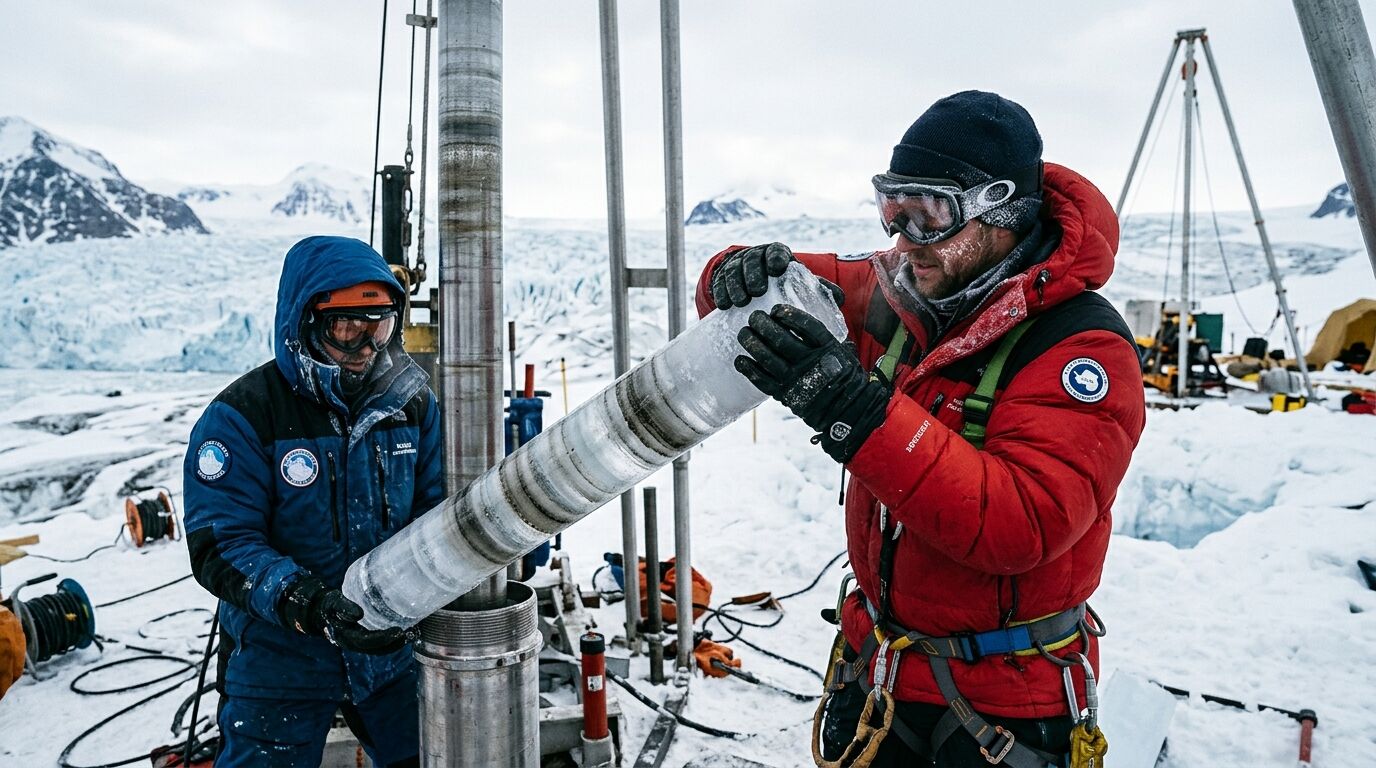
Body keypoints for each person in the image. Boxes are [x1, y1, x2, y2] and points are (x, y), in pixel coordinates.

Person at [695, 91, 1145, 767]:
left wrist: (859, 411)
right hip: (881, 669)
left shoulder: (1079, 348)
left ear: (1001, 211)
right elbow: (763, 294)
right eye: (893, 210)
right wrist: (732, 273)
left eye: (929, 213)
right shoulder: (902, 292)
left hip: (1003, 704)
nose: (904, 239)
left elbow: (1021, 523)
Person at [184, 235, 442, 767]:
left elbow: (437, 513)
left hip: (388, 654)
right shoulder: (243, 417)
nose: (367, 349)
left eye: (381, 326)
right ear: (304, 325)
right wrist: (308, 603)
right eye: (347, 330)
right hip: (279, 661)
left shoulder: (412, 407)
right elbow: (222, 542)